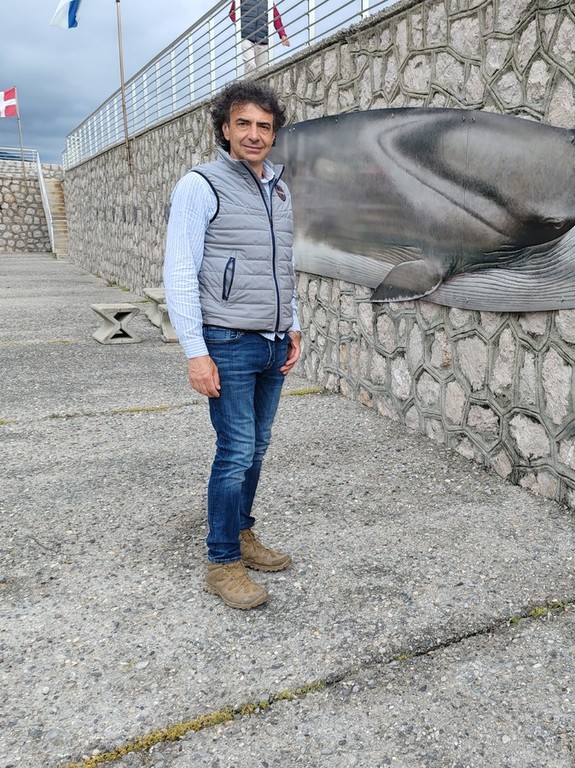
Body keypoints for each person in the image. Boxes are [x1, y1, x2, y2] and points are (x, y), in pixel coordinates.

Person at [163, 81, 301, 610]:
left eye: (264, 126)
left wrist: (293, 325)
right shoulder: (200, 185)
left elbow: (283, 265)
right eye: (243, 123)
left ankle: (241, 533)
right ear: (225, 128)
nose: (254, 134)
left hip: (272, 342)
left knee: (257, 447)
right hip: (227, 340)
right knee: (236, 450)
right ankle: (221, 562)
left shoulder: (278, 189)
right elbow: (180, 271)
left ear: (274, 134)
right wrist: (195, 352)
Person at [229, 0, 290, 74]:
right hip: (246, 37)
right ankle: (249, 82)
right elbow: (232, 12)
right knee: (250, 64)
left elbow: (276, 18)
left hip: (263, 40)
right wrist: (242, 25)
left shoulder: (268, 1)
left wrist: (283, 35)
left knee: (263, 71)